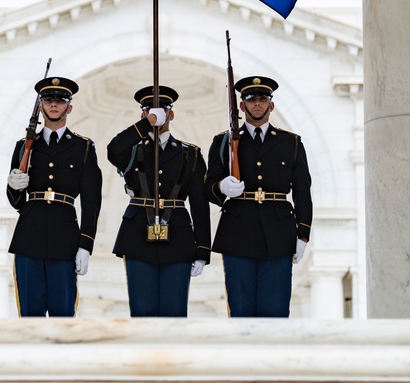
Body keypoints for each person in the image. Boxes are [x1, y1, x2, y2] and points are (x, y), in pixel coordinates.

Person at [206, 76, 312, 318]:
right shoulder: (223, 142)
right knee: (241, 310)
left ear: (271, 106)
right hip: (237, 233)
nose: (257, 104)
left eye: (263, 99)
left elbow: (303, 191)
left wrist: (303, 233)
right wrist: (222, 186)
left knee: (275, 311)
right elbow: (207, 185)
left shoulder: (291, 143)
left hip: (279, 233)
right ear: (241, 106)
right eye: (251, 99)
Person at [107, 85, 210, 317]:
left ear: (171, 114)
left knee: (175, 313)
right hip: (137, 237)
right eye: (149, 110)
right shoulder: (132, 150)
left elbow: (200, 204)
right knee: (142, 312)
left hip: (179, 237)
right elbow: (112, 150)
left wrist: (202, 249)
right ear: (143, 114)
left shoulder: (190, 153)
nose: (158, 114)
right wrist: (147, 123)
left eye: (163, 109)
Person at [6, 76, 102, 317]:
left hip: (65, 241)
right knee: (30, 316)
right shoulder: (24, 146)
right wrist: (14, 186)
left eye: (60, 100)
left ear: (69, 107)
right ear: (41, 106)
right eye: (48, 100)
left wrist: (85, 245)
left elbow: (91, 202)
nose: (54, 105)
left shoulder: (83, 148)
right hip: (29, 237)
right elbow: (17, 202)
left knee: (63, 316)